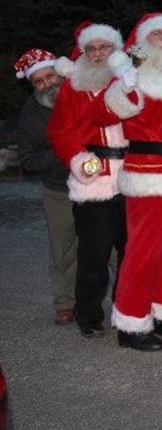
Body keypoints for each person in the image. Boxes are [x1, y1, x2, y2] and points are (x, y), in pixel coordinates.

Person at [94, 12, 162, 352]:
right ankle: (130, 322)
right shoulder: (133, 74)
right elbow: (104, 113)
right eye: (156, 34)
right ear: (143, 41)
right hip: (152, 176)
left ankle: (159, 312)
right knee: (143, 253)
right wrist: (124, 87)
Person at [47, 22, 128, 339]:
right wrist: (78, 159)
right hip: (94, 178)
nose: (97, 54)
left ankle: (127, 309)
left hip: (132, 176)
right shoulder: (73, 87)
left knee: (131, 250)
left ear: (114, 50)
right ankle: (89, 315)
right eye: (91, 49)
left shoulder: (127, 82)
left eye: (103, 47)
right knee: (93, 253)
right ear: (82, 52)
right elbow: (59, 132)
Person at [14, 48, 77, 325]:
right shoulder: (32, 110)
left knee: (110, 245)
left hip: (100, 184)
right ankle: (65, 302)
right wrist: (63, 152)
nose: (48, 84)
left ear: (60, 73)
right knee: (62, 248)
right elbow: (28, 158)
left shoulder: (82, 93)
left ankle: (124, 299)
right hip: (59, 189)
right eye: (39, 81)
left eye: (50, 76)